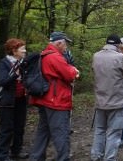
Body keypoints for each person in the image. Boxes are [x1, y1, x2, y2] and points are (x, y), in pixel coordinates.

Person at [30, 32, 79, 161]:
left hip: (45, 99)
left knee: (43, 132)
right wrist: (75, 71)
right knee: (61, 132)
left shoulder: (44, 54)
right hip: (56, 101)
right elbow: (69, 74)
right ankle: (63, 158)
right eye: (65, 44)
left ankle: (36, 157)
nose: (66, 47)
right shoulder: (55, 57)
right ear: (58, 43)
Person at [91, 34, 123, 160]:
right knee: (114, 133)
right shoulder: (121, 58)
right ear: (118, 45)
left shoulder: (96, 56)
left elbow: (94, 73)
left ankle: (96, 156)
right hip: (116, 101)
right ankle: (109, 158)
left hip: (100, 100)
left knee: (99, 130)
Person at [0, 39, 29, 161]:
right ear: (14, 51)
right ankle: (1, 155)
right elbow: (3, 81)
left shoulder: (22, 62)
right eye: (22, 49)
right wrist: (15, 74)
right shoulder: (3, 63)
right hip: (7, 101)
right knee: (7, 128)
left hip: (20, 99)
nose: (25, 51)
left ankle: (16, 151)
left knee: (20, 126)